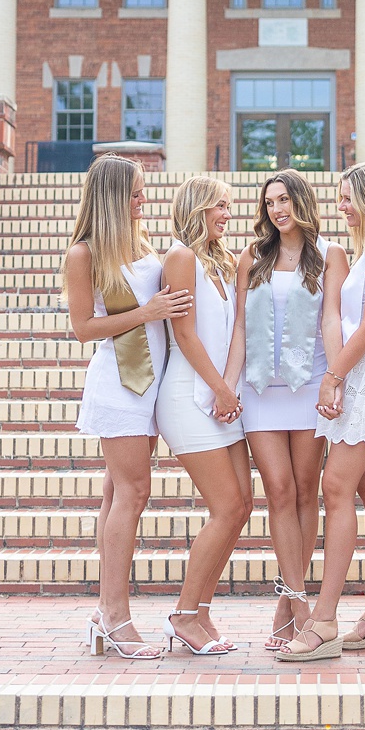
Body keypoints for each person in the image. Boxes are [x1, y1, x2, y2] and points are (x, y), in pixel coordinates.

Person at [278, 161, 365, 662]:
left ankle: (325, 620)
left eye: (348, 196)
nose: (341, 206)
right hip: (358, 371)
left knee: (335, 488)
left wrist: (334, 375)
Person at [64, 154, 193, 659]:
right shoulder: (84, 253)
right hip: (118, 384)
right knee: (133, 493)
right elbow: (82, 329)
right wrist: (148, 311)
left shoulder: (141, 244)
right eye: (136, 193)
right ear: (115, 196)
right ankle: (115, 615)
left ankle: (105, 613)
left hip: (151, 383)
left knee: (118, 493)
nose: (145, 200)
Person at [226, 169, 349, 648]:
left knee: (304, 492)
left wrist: (336, 379)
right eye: (270, 202)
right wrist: (227, 385)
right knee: (277, 490)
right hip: (260, 390)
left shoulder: (329, 255)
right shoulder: (252, 258)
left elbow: (333, 318)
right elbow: (239, 328)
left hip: (309, 386)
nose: (278, 209)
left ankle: (287, 598)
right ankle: (299, 600)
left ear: (302, 201)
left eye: (285, 199)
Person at [155, 175, 253, 656]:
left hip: (223, 396)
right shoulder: (180, 257)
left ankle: (201, 611)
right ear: (197, 208)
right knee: (227, 506)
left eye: (229, 206)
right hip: (188, 396)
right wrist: (218, 388)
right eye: (220, 206)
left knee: (243, 507)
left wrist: (230, 389)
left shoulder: (224, 261)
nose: (227, 214)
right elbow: (185, 335)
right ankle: (183, 613)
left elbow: (238, 328)